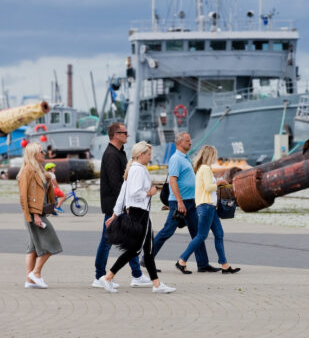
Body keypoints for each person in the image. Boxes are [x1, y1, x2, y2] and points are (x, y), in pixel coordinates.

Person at [101, 142, 175, 294]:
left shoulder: (133, 169)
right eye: (148, 154)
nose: (150, 157)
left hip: (137, 213)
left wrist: (115, 213)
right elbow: (134, 192)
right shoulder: (139, 170)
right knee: (136, 250)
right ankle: (108, 276)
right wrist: (150, 192)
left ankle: (156, 284)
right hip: (140, 214)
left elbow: (123, 192)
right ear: (141, 155)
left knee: (147, 250)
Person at [152, 132, 220, 273]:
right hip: (180, 203)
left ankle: (202, 264)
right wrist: (179, 201)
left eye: (190, 140)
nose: (190, 143)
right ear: (180, 142)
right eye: (188, 141)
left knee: (198, 233)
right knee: (167, 231)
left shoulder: (186, 158)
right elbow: (172, 181)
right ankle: (147, 258)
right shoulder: (176, 159)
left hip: (191, 202)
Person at [94, 123, 151, 289]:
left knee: (131, 238)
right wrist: (124, 206)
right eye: (124, 133)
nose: (127, 135)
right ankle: (99, 276)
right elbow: (116, 183)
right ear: (115, 135)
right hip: (114, 205)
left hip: (120, 204)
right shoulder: (111, 155)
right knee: (107, 240)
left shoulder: (119, 152)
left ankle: (137, 274)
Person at [176, 145, 240, 274]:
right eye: (214, 155)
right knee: (201, 236)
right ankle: (182, 260)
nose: (215, 158)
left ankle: (224, 265)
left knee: (219, 234)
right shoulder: (205, 169)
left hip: (210, 207)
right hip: (206, 207)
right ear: (210, 155)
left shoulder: (202, 169)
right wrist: (220, 182)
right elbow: (209, 188)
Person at [18, 142, 63, 289]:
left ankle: (29, 280)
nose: (44, 153)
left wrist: (48, 178)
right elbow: (26, 196)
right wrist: (35, 215)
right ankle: (35, 273)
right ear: (34, 154)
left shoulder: (39, 170)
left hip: (39, 213)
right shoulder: (28, 170)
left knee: (32, 249)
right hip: (34, 215)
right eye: (41, 152)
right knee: (52, 244)